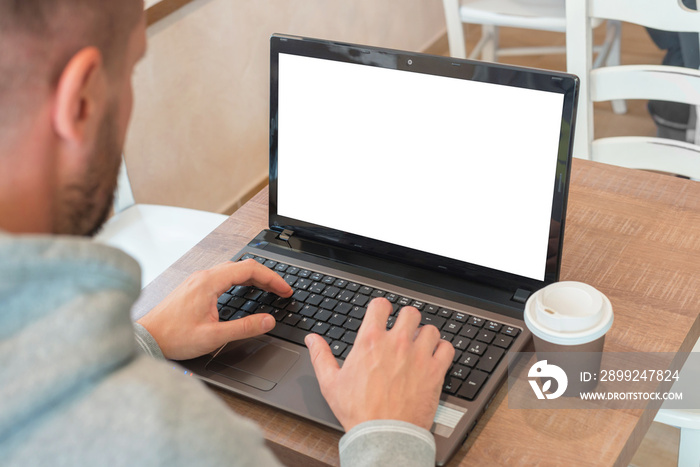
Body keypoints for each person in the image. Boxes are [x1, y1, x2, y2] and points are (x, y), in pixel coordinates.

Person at [0, 1, 454, 466]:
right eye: (131, 69)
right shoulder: (177, 440)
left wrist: (144, 341)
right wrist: (388, 433)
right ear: (80, 101)